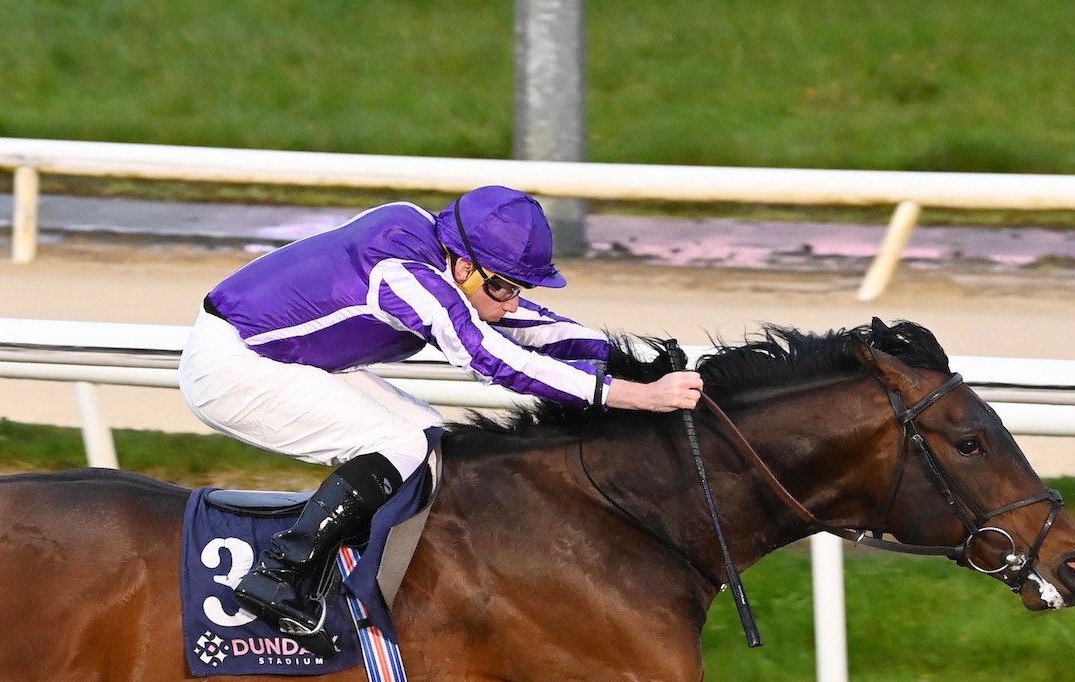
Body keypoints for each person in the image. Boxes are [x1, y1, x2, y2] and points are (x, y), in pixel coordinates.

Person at [180, 184, 704, 638]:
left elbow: (522, 322)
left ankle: (364, 572)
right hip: (233, 367)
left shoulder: (432, 242)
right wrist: (634, 395)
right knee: (402, 446)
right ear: (465, 265)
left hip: (282, 357)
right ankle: (276, 575)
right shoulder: (403, 275)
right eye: (501, 285)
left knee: (426, 434)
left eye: (515, 287)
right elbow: (490, 356)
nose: (510, 300)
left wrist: (619, 357)